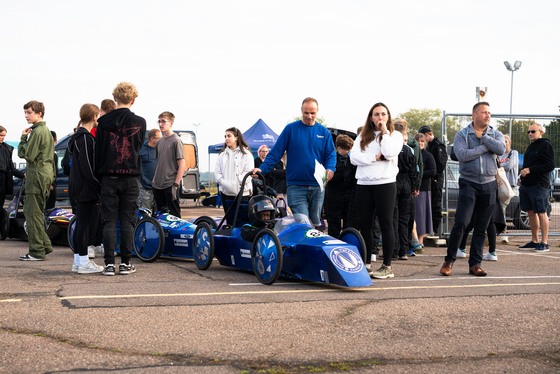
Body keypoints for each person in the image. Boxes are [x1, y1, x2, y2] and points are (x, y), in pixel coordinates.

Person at [440, 102, 505, 277]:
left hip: (489, 184)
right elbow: (462, 155)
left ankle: (475, 264)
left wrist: (484, 138)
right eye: (484, 112)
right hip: (469, 183)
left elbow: (501, 149)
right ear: (474, 115)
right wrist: (485, 147)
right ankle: (449, 261)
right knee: (461, 222)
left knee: (481, 227)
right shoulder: (462, 134)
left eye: (489, 113)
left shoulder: (495, 133)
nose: (488, 115)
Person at [254, 97, 336, 229]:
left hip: (317, 186)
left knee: (315, 220)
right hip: (296, 186)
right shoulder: (290, 129)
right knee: (302, 222)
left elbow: (331, 155)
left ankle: (312, 247)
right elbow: (276, 153)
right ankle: (302, 248)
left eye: (312, 113)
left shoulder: (324, 132)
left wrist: (330, 169)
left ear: (317, 112)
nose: (309, 116)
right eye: (306, 113)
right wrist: (262, 169)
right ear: (301, 111)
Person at [95, 82, 146, 275]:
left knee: (108, 221)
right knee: (127, 220)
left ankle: (109, 263)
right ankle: (125, 262)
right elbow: (138, 146)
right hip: (130, 175)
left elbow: (98, 150)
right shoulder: (140, 122)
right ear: (133, 100)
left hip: (108, 175)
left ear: (114, 99)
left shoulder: (103, 123)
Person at [350, 102, 403, 279]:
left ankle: (387, 265)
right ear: (371, 117)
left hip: (385, 183)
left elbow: (389, 153)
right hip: (364, 184)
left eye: (383, 114)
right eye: (376, 114)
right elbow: (354, 158)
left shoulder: (394, 135)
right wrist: (374, 157)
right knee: (365, 225)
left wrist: (385, 133)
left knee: (386, 223)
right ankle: (366, 263)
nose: (380, 117)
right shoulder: (362, 136)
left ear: (388, 116)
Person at [68, 104, 104, 274]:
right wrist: (99, 186)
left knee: (80, 224)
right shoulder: (86, 139)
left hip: (77, 187)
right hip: (86, 189)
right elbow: (88, 168)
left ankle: (78, 261)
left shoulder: (76, 137)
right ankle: (83, 262)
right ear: (95, 116)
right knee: (84, 226)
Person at [18, 100, 56, 261]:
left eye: (29, 112)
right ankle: (44, 245)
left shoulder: (37, 131)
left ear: (39, 113)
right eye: (25, 112)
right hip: (45, 176)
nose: (26, 115)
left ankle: (36, 251)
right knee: (38, 213)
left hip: (36, 176)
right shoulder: (46, 131)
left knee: (32, 214)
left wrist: (23, 139)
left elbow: (27, 155)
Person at [518, 123, 555, 252]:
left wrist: (531, 170)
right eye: (528, 132)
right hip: (527, 184)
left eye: (533, 131)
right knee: (530, 212)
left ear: (540, 132)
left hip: (539, 184)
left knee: (541, 212)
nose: (530, 134)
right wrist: (523, 174)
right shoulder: (531, 146)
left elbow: (550, 165)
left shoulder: (545, 145)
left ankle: (544, 242)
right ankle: (534, 241)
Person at [214, 127, 254, 225]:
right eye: (225, 136)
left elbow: (248, 173)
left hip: (242, 193)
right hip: (225, 193)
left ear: (236, 137)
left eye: (229, 136)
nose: (226, 138)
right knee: (230, 221)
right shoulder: (222, 155)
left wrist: (237, 183)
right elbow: (217, 173)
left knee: (242, 221)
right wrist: (225, 183)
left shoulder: (246, 154)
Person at [392, 121, 419, 260]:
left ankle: (394, 250)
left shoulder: (391, 148)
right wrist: (415, 187)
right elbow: (414, 170)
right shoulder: (409, 150)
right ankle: (403, 250)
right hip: (407, 184)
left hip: (394, 182)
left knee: (393, 218)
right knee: (404, 219)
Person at [152, 112, 186, 218]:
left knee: (174, 216)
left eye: (163, 121)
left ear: (171, 123)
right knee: (160, 217)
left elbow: (182, 164)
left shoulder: (176, 141)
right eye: (159, 121)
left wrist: (176, 184)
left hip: (170, 184)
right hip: (157, 184)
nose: (161, 124)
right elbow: (160, 162)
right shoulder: (159, 142)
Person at [418, 125, 447, 237]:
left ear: (427, 135)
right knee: (429, 205)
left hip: (436, 180)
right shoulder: (430, 145)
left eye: (423, 138)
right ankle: (429, 229)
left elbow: (440, 165)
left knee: (435, 205)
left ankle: (434, 230)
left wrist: (432, 172)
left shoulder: (438, 146)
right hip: (430, 180)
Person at [325, 134, 354, 238]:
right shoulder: (332, 159)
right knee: (333, 223)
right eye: (346, 149)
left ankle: (347, 241)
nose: (348, 152)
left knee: (349, 222)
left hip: (349, 195)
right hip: (334, 195)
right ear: (339, 148)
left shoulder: (352, 159)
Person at [414, 132, 436, 248]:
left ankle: (420, 241)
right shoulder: (412, 154)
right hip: (412, 188)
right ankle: (413, 240)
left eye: (422, 141)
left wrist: (420, 173)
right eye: (418, 141)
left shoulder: (428, 156)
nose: (420, 143)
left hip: (423, 189)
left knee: (421, 216)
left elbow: (433, 171)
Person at [496, 134, 518, 244]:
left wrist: (499, 167)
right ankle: (499, 231)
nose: (504, 143)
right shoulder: (497, 154)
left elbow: (510, 166)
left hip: (509, 184)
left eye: (506, 141)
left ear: (509, 142)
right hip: (499, 184)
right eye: (502, 141)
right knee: (499, 208)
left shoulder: (513, 153)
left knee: (502, 207)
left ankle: (503, 233)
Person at [0, 126, 25, 212]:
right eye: (1, 135)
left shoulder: (7, 149)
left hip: (2, 183)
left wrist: (24, 175)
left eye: (4, 136)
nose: (2, 138)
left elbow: (11, 169)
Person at [138, 128, 161, 211]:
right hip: (145, 187)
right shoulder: (141, 150)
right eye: (159, 138)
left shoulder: (161, 149)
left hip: (159, 187)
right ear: (152, 139)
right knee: (145, 211)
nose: (161, 140)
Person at [45, 131, 58, 210]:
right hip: (49, 185)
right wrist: (50, 184)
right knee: (49, 208)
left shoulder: (52, 153)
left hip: (49, 184)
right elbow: (50, 170)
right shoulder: (51, 154)